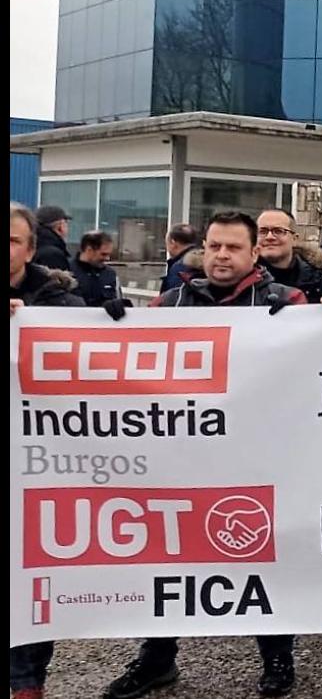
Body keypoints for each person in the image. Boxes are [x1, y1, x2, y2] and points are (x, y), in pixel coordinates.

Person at [106, 212, 303, 699]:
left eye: (233, 248)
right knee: (170, 557)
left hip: (259, 456)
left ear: (254, 253)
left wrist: (320, 318)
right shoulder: (171, 303)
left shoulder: (285, 302)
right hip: (185, 457)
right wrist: (107, 324)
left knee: (263, 557)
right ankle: (157, 657)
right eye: (214, 246)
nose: (220, 256)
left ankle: (277, 658)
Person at [10, 203, 83, 699]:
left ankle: (28, 683)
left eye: (13, 240)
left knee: (34, 579)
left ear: (32, 249)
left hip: (41, 465)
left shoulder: (58, 302)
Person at [257, 209, 322, 304]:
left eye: (278, 231)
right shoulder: (240, 277)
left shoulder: (317, 281)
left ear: (294, 239)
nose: (269, 237)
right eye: (263, 231)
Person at [69, 230, 119, 307]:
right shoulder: (66, 271)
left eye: (109, 254)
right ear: (89, 250)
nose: (107, 258)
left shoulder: (110, 274)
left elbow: (118, 301)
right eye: (103, 254)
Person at [161, 223, 200, 292]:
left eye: (167, 244)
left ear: (173, 243)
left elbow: (175, 298)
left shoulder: (179, 268)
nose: (167, 249)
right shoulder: (207, 261)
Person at [32, 205, 72, 271]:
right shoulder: (53, 255)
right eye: (66, 223)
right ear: (60, 227)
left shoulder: (30, 245)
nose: (67, 228)